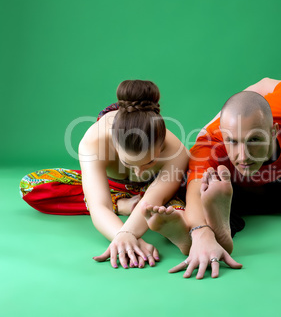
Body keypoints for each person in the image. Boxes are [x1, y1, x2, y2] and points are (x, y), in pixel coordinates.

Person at [142, 77, 281, 279]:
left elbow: (265, 82)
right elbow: (195, 189)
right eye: (233, 142)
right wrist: (201, 234)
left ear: (274, 130)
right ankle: (202, 227)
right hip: (225, 181)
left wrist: (243, 104)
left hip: (266, 184)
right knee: (192, 193)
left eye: (255, 140)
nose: (243, 156)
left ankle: (226, 211)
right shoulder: (209, 146)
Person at [20, 80, 189, 269]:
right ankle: (123, 205)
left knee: (178, 205)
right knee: (32, 185)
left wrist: (129, 234)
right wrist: (124, 237)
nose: (139, 171)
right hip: (111, 187)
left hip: (154, 191)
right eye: (128, 163)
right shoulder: (94, 141)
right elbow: (99, 205)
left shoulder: (177, 151)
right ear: (114, 145)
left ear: (161, 145)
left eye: (149, 162)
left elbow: (155, 196)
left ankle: (171, 218)